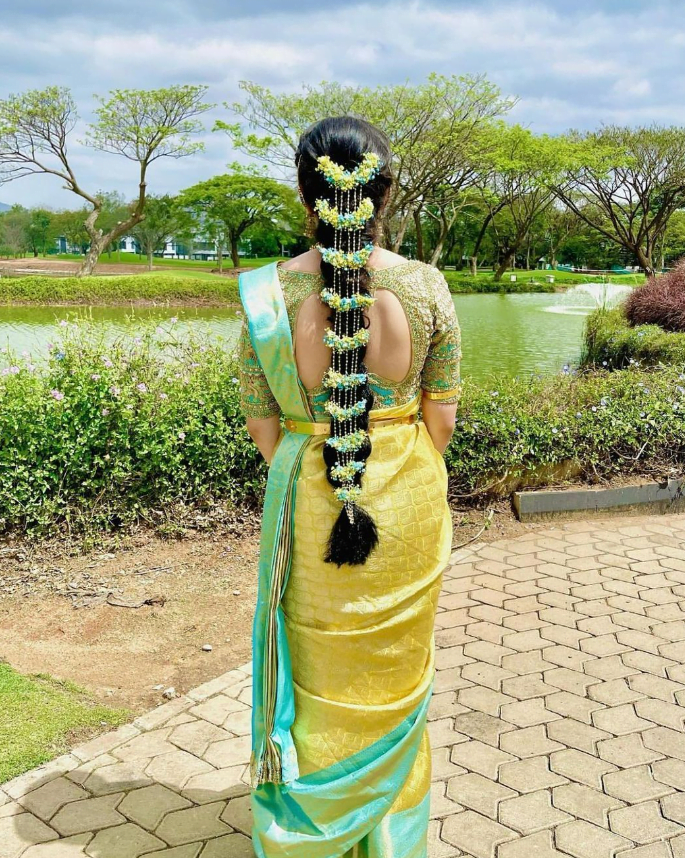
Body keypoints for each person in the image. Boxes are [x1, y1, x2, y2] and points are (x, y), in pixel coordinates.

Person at [237, 115, 461, 858]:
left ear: (304, 192)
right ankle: (391, 837)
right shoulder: (425, 285)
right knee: (395, 671)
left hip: (307, 498)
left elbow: (263, 424)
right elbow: (442, 413)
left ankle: (313, 827)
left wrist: (313, 456)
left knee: (316, 664)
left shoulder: (267, 292)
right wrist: (397, 464)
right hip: (407, 501)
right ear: (384, 193)